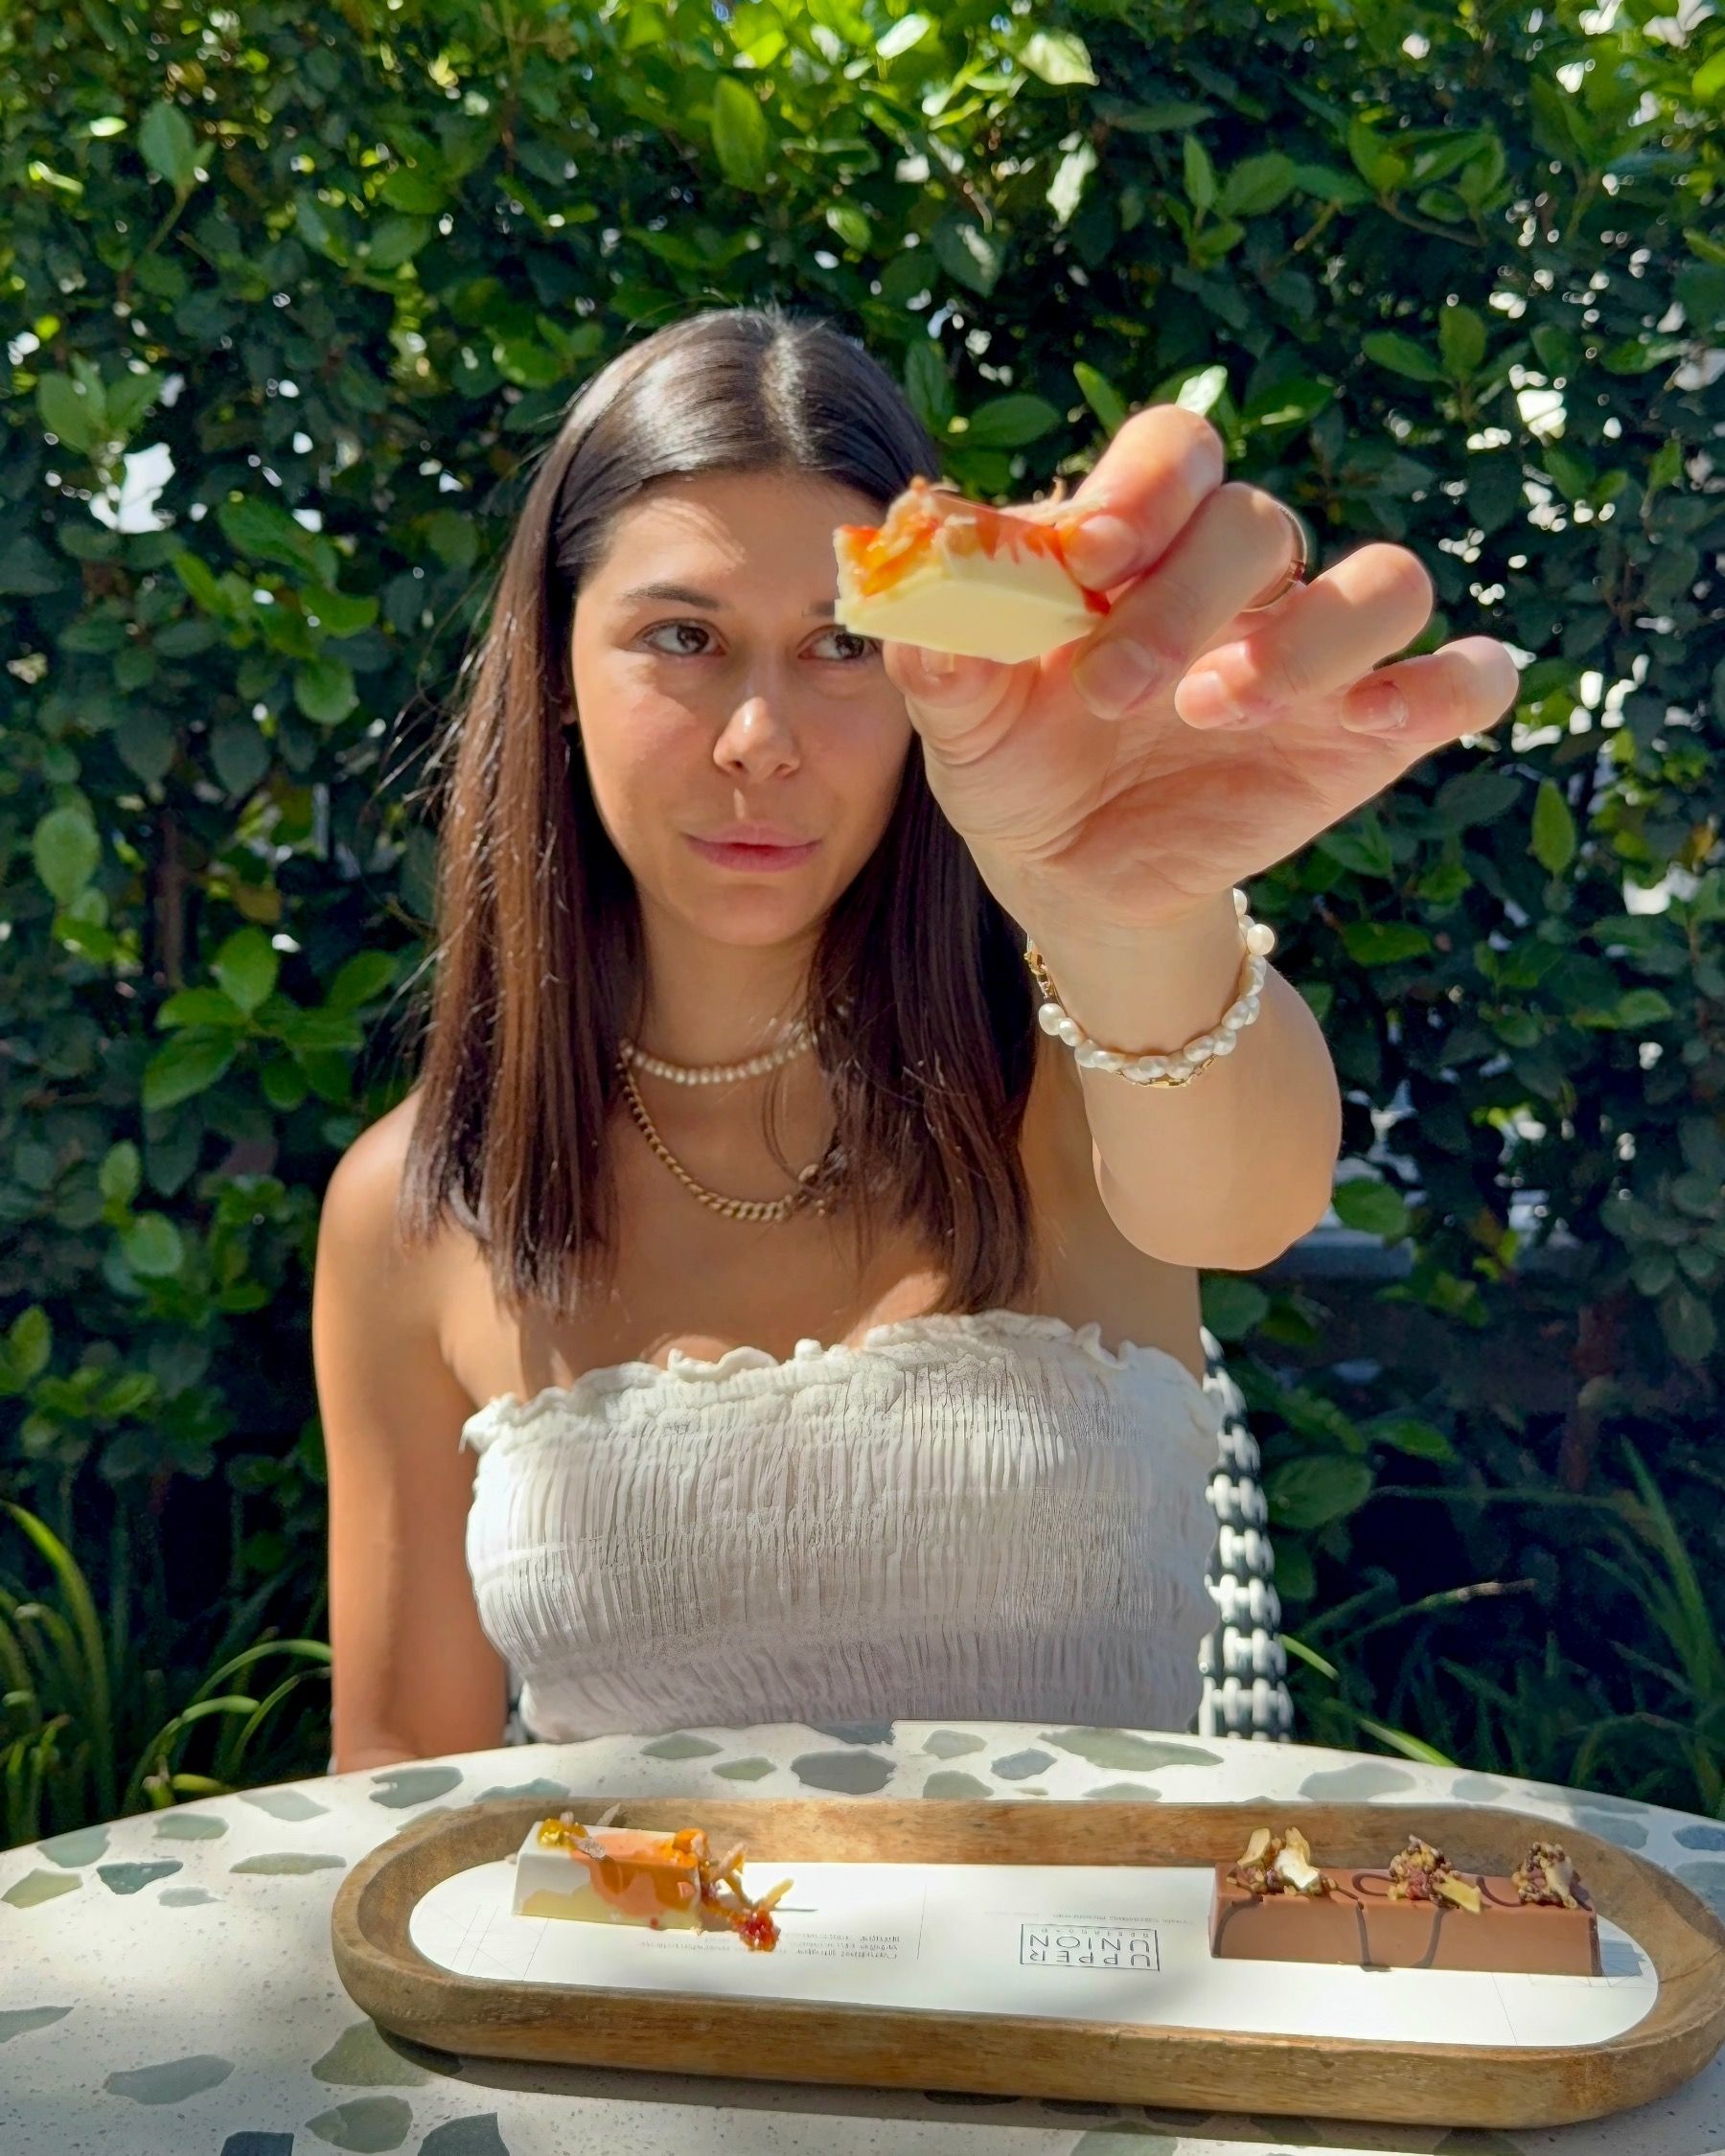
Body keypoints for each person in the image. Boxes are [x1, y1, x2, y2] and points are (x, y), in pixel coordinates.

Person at [313, 304, 1517, 1774]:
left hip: (1093, 1998)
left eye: (841, 645)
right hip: (631, 2011)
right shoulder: (423, 1198)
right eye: (682, 638)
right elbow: (392, 1795)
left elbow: (1247, 1198)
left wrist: (1137, 905)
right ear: (556, 672)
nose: (761, 734)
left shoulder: (1084, 1049)